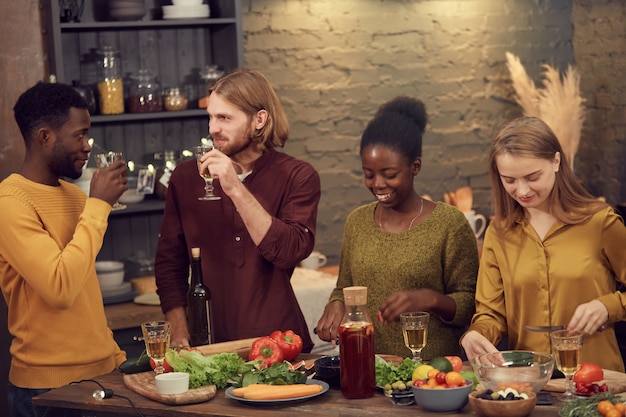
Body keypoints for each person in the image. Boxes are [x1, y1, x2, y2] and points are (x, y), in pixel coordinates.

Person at [155, 68, 321, 352]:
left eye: (224, 118)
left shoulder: (298, 175)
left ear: (259, 120)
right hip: (208, 345)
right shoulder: (185, 177)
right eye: (210, 116)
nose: (212, 129)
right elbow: (169, 263)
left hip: (280, 344)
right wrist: (180, 329)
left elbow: (291, 250)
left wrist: (234, 187)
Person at [315, 96, 479, 359]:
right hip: (368, 366)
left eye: (389, 174)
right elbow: (345, 285)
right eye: (368, 174)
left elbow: (471, 304)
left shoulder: (449, 225)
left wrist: (430, 299)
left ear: (415, 166)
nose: (377, 184)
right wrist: (336, 303)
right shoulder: (357, 222)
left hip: (431, 372)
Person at [0, 82, 128, 417]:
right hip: (46, 389)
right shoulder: (10, 203)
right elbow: (60, 288)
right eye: (80, 135)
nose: (88, 146)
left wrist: (112, 356)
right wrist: (99, 205)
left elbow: (84, 290)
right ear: (45, 136)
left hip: (102, 373)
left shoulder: (75, 198)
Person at [461, 116, 626, 371]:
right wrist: (476, 333)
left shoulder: (600, 222)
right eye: (510, 180)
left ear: (556, 161)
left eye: (532, 176)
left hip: (597, 381)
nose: (522, 190)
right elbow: (490, 314)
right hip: (529, 383)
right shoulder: (499, 233)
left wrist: (608, 307)